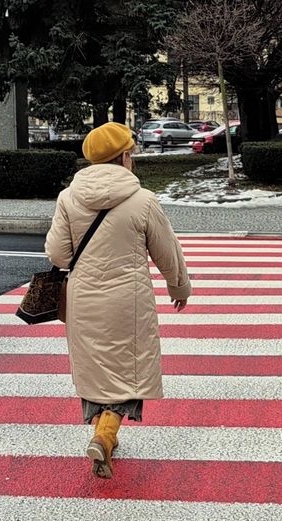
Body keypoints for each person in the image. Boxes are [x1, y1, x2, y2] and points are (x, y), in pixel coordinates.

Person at [44, 122, 191, 479]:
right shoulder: (143, 200)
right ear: (124, 157)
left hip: (83, 300)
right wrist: (179, 287)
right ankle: (105, 435)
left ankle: (103, 433)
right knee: (129, 370)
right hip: (129, 301)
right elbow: (166, 251)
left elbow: (58, 255)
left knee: (96, 368)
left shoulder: (68, 198)